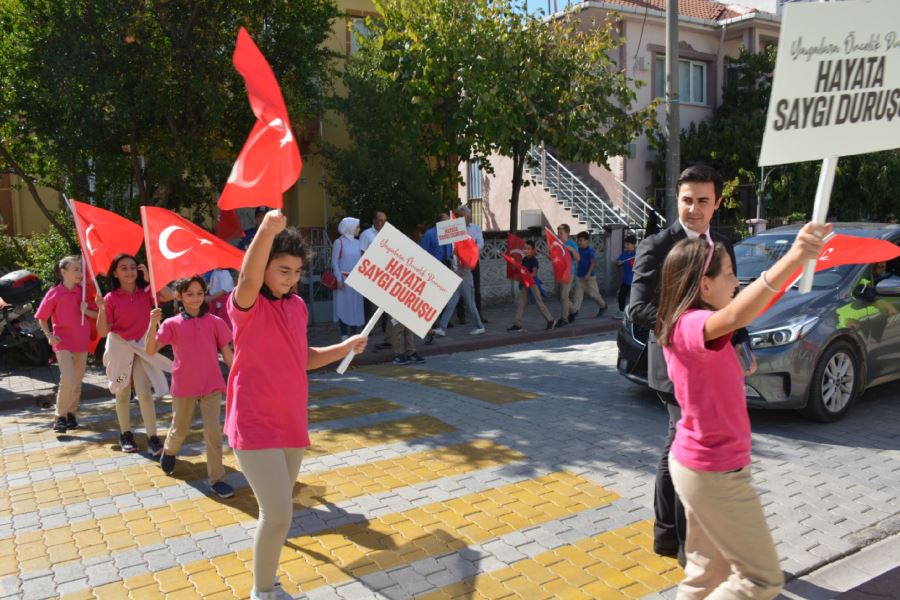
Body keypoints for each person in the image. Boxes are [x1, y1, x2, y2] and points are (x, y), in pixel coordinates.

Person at [656, 222, 827, 599]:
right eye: (730, 275)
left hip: (703, 467)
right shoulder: (690, 325)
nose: (736, 283)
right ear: (704, 286)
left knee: (705, 578)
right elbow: (737, 315)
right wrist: (795, 258)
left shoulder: (694, 325)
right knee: (761, 581)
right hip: (713, 472)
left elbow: (741, 315)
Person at [226, 209, 366, 600]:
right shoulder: (247, 306)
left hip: (291, 421)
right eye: (283, 270)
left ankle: (268, 580)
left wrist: (344, 347)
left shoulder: (297, 307)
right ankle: (263, 591)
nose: (291, 279)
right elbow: (248, 277)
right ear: (267, 265)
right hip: (253, 422)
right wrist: (267, 231)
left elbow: (302, 358)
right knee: (278, 514)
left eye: (296, 272)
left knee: (278, 514)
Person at [629, 165, 738, 562]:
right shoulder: (658, 245)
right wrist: (691, 326)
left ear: (717, 204)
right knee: (688, 451)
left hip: (714, 366)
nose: (693, 209)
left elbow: (729, 302)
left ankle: (667, 535)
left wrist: (741, 347)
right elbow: (637, 308)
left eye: (702, 201)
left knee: (678, 447)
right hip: (675, 368)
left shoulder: (724, 244)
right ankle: (685, 547)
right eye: (686, 200)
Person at [145, 275, 235, 499]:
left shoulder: (215, 322)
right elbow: (150, 350)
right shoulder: (171, 323)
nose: (195, 298)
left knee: (213, 433)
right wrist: (151, 324)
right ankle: (170, 450)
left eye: (199, 293)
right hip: (184, 385)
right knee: (180, 428)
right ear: (179, 296)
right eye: (189, 294)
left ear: (205, 294)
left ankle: (217, 479)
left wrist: (238, 377)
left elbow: (227, 353)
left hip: (212, 385)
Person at [95, 254, 174, 455]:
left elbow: (170, 295)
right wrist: (101, 309)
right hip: (120, 349)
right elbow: (103, 332)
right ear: (115, 272)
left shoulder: (146, 292)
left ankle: (153, 438)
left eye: (133, 267)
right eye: (124, 268)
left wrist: (150, 279)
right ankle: (125, 434)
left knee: (144, 393)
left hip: (142, 348)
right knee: (121, 390)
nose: (129, 272)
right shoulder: (110, 298)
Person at [35, 256, 98, 433]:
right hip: (62, 341)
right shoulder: (54, 293)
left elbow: (97, 316)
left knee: (76, 381)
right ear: (63, 272)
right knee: (68, 378)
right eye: (76, 269)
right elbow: (42, 317)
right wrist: (49, 335)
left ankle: (71, 413)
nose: (79, 273)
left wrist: (87, 310)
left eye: (80, 270)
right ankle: (60, 417)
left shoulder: (83, 292)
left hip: (82, 341)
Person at [508, 240, 555, 332]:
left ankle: (551, 320)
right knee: (520, 303)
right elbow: (517, 269)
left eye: (528, 249)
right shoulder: (524, 259)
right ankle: (518, 324)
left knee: (539, 303)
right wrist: (512, 262)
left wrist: (526, 274)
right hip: (525, 284)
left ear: (532, 250)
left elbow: (534, 273)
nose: (526, 250)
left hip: (533, 284)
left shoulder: (534, 260)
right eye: (525, 248)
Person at [360, 211, 390, 349]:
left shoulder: (389, 234)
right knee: (369, 304)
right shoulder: (366, 234)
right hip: (371, 272)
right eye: (379, 220)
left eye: (384, 221)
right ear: (374, 220)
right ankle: (368, 328)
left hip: (386, 273)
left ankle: (385, 327)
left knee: (384, 302)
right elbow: (361, 253)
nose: (382, 223)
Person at [332, 217, 365, 340]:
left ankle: (354, 333)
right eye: (357, 226)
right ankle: (344, 333)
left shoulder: (358, 243)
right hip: (343, 281)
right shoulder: (338, 242)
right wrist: (339, 279)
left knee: (355, 307)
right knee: (343, 306)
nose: (359, 229)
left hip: (356, 280)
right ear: (350, 227)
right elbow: (334, 262)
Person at [455, 206, 486, 324]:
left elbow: (480, 243)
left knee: (476, 288)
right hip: (460, 263)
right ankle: (461, 316)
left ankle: (479, 314)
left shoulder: (476, 228)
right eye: (463, 216)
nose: (466, 219)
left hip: (473, 261)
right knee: (460, 289)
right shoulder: (455, 229)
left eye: (467, 216)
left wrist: (471, 250)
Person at [571, 231, 607, 319]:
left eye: (580, 240)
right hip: (579, 277)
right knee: (577, 296)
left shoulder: (590, 251)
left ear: (587, 241)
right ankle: (574, 313)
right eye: (578, 240)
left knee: (593, 294)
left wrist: (588, 274)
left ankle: (603, 306)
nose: (578, 242)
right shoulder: (578, 250)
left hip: (590, 277)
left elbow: (593, 263)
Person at [555, 224, 579, 327]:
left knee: (564, 296)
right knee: (560, 297)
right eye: (558, 233)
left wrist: (571, 249)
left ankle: (564, 318)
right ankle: (573, 311)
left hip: (568, 273)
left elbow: (578, 258)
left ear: (567, 233)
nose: (559, 235)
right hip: (559, 273)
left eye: (561, 233)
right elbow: (557, 259)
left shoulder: (571, 244)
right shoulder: (557, 243)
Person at [616, 235, 638, 312]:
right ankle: (621, 311)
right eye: (625, 244)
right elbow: (618, 261)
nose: (626, 245)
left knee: (634, 298)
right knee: (621, 295)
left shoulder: (637, 254)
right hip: (626, 280)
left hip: (635, 280)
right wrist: (619, 262)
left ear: (633, 245)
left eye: (628, 244)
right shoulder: (624, 254)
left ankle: (634, 312)